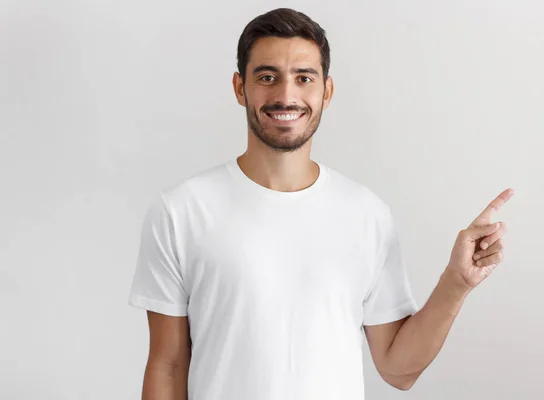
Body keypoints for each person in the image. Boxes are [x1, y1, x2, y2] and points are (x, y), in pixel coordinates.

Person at [128, 7, 514, 400]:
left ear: (326, 91)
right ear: (240, 87)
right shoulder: (181, 212)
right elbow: (168, 364)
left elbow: (399, 370)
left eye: (303, 78)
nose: (285, 95)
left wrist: (456, 283)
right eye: (267, 77)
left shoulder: (366, 215)